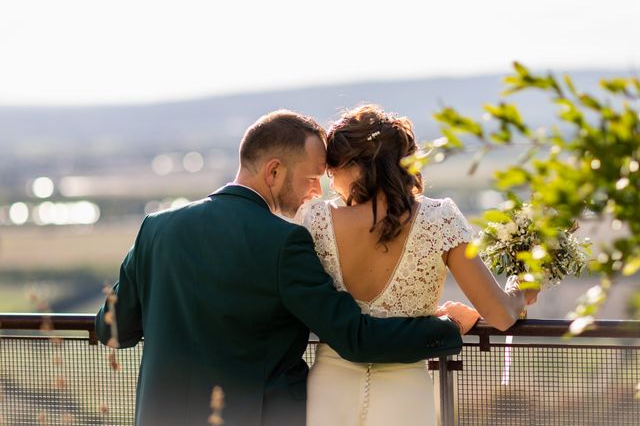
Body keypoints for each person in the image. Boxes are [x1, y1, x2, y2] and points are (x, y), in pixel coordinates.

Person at [95, 110, 472, 426]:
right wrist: (447, 329)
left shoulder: (156, 228)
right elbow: (356, 338)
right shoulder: (284, 243)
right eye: (311, 179)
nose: (316, 194)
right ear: (273, 171)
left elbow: (111, 328)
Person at [298, 105, 539, 426]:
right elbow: (500, 315)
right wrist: (521, 291)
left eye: (333, 170)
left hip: (328, 392)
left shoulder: (314, 220)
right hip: (406, 396)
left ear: (356, 167)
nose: (331, 181)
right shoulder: (440, 220)